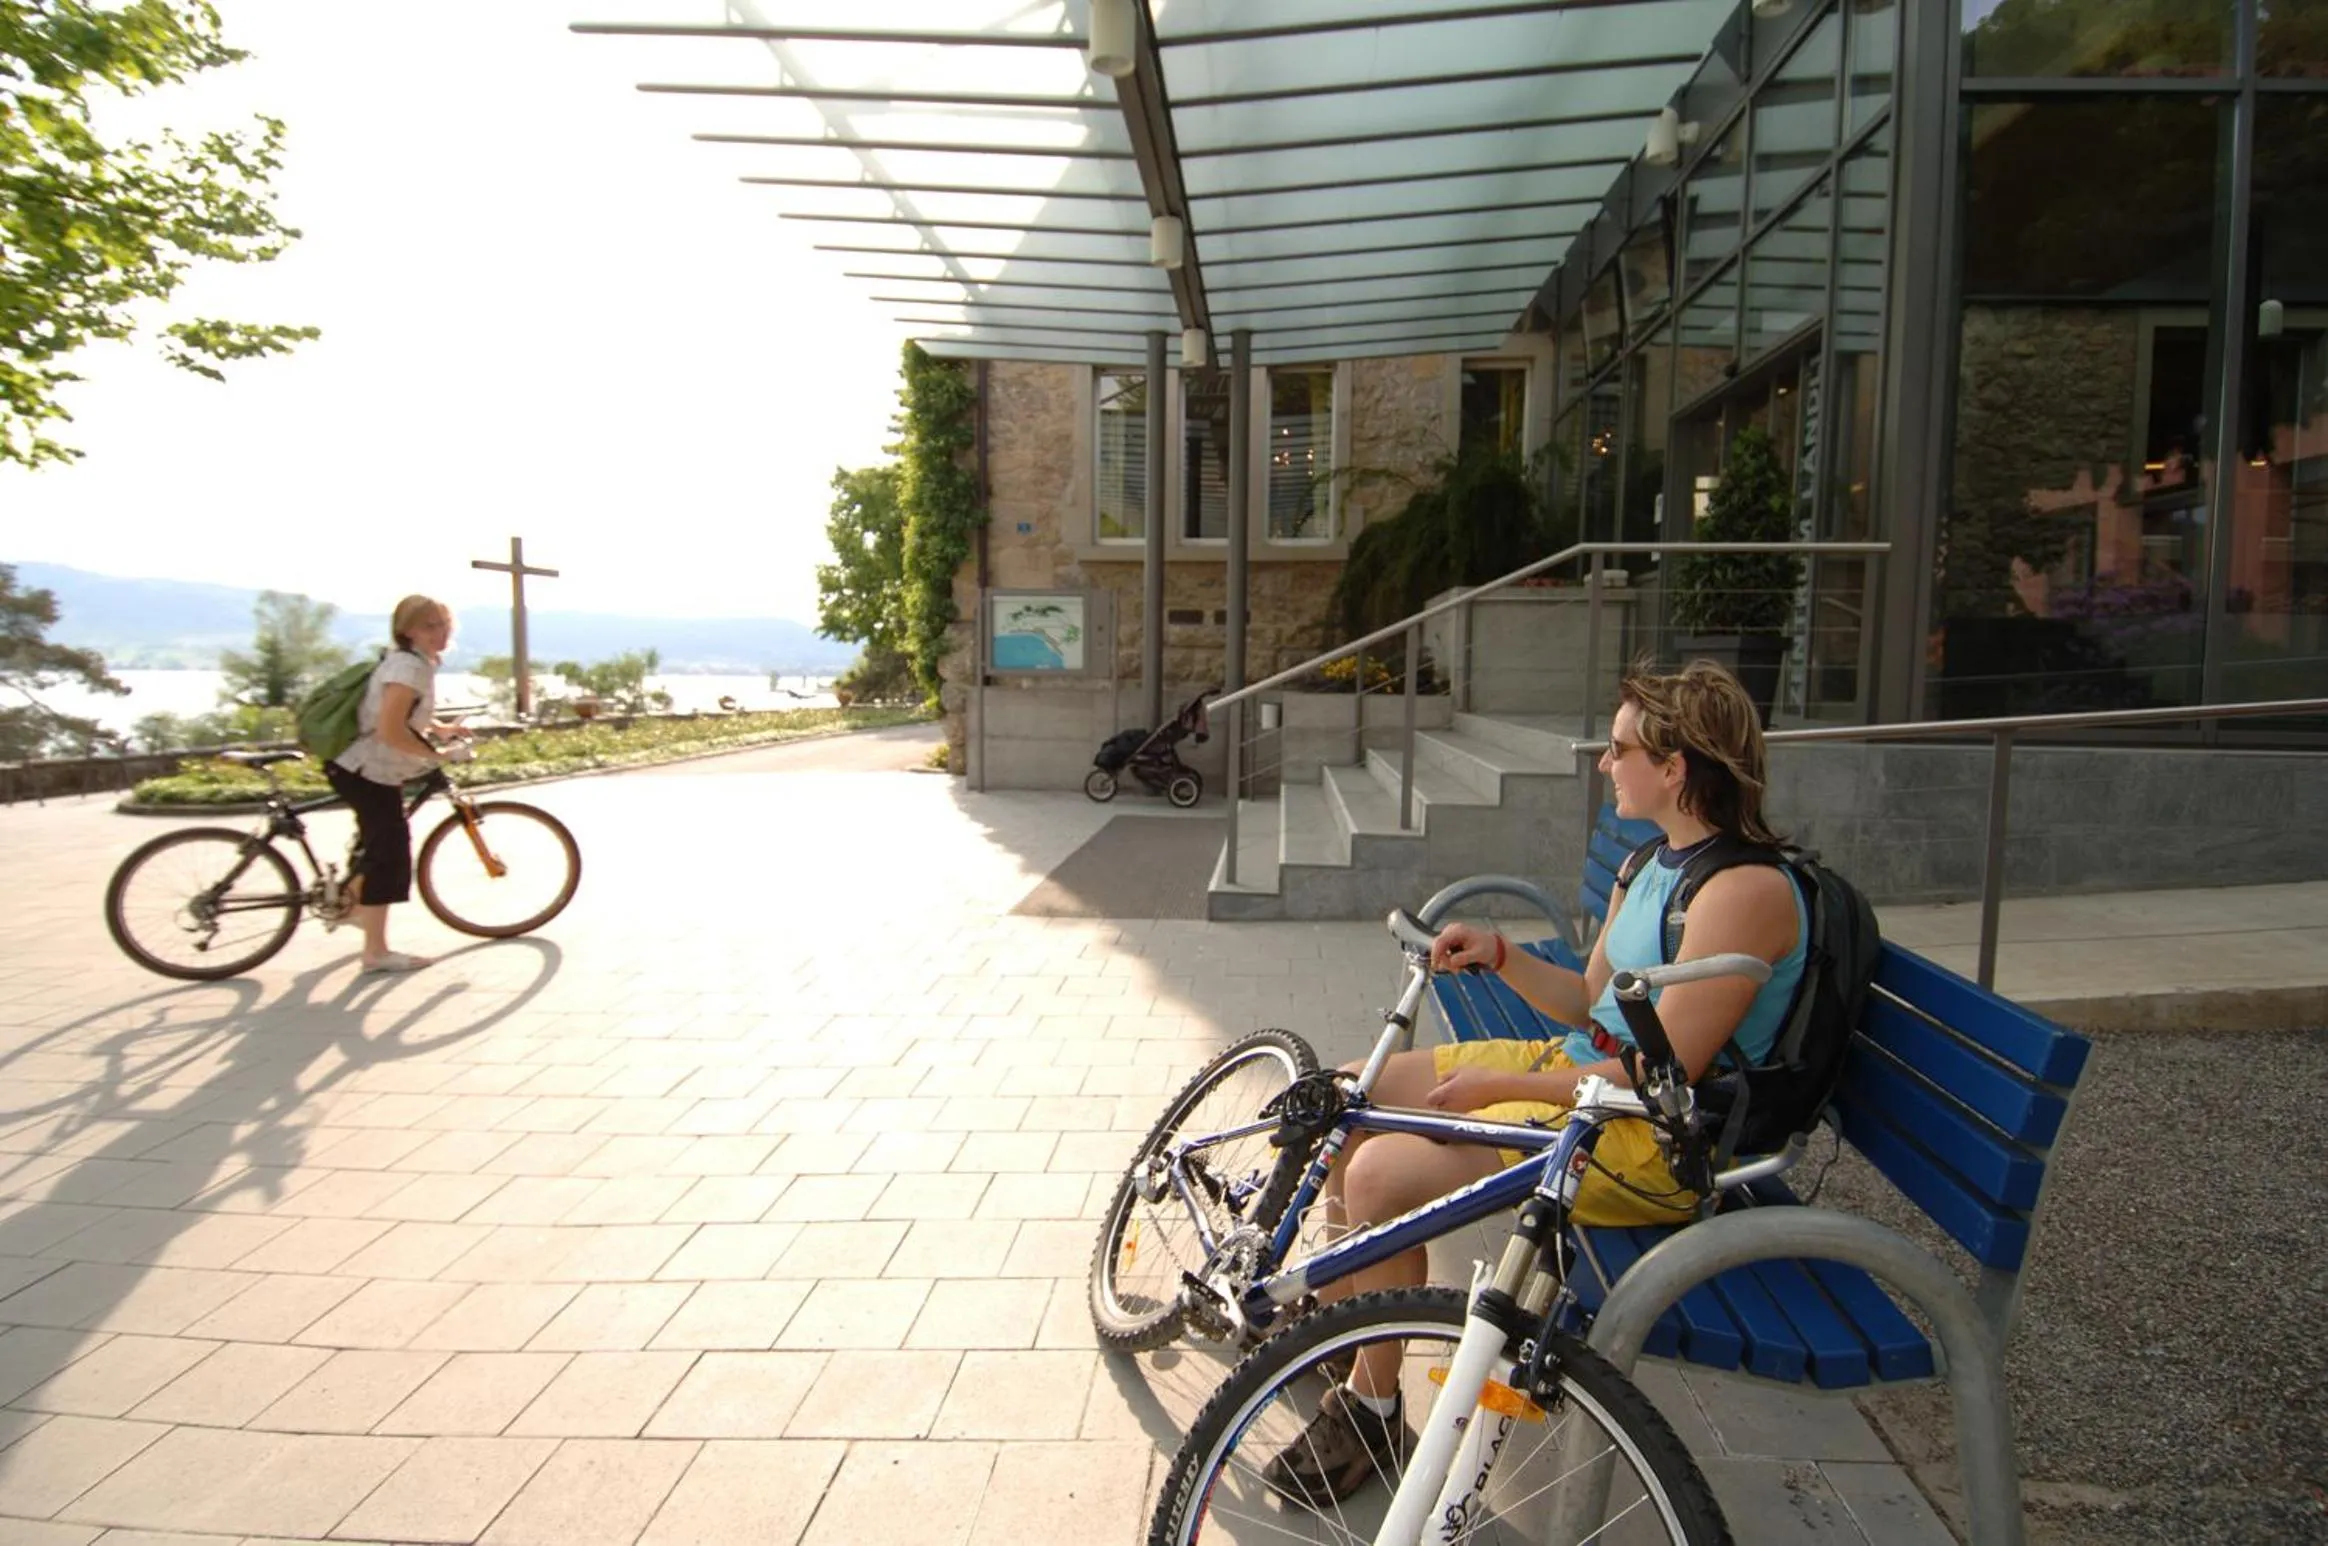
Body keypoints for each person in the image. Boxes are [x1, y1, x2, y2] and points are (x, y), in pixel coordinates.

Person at [1263, 660, 1809, 1505]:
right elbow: (1589, 1000)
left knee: (1376, 1175)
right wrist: (1503, 954)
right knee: (1348, 1096)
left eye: (1621, 749)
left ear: (1675, 768)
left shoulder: (1744, 892)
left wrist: (1489, 1087)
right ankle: (1350, 1324)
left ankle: (1371, 1408)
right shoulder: (1651, 863)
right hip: (1582, 1077)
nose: (1605, 762)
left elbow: (1659, 1075)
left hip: (1650, 1140)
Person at [323, 594, 469, 975]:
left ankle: (351, 907)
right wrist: (437, 755)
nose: (440, 632)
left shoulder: (414, 662)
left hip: (368, 769)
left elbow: (403, 713)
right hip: (365, 769)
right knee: (389, 854)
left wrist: (439, 728)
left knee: (376, 844)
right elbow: (390, 729)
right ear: (407, 631)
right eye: (428, 626)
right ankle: (375, 952)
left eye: (443, 624)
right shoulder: (408, 666)